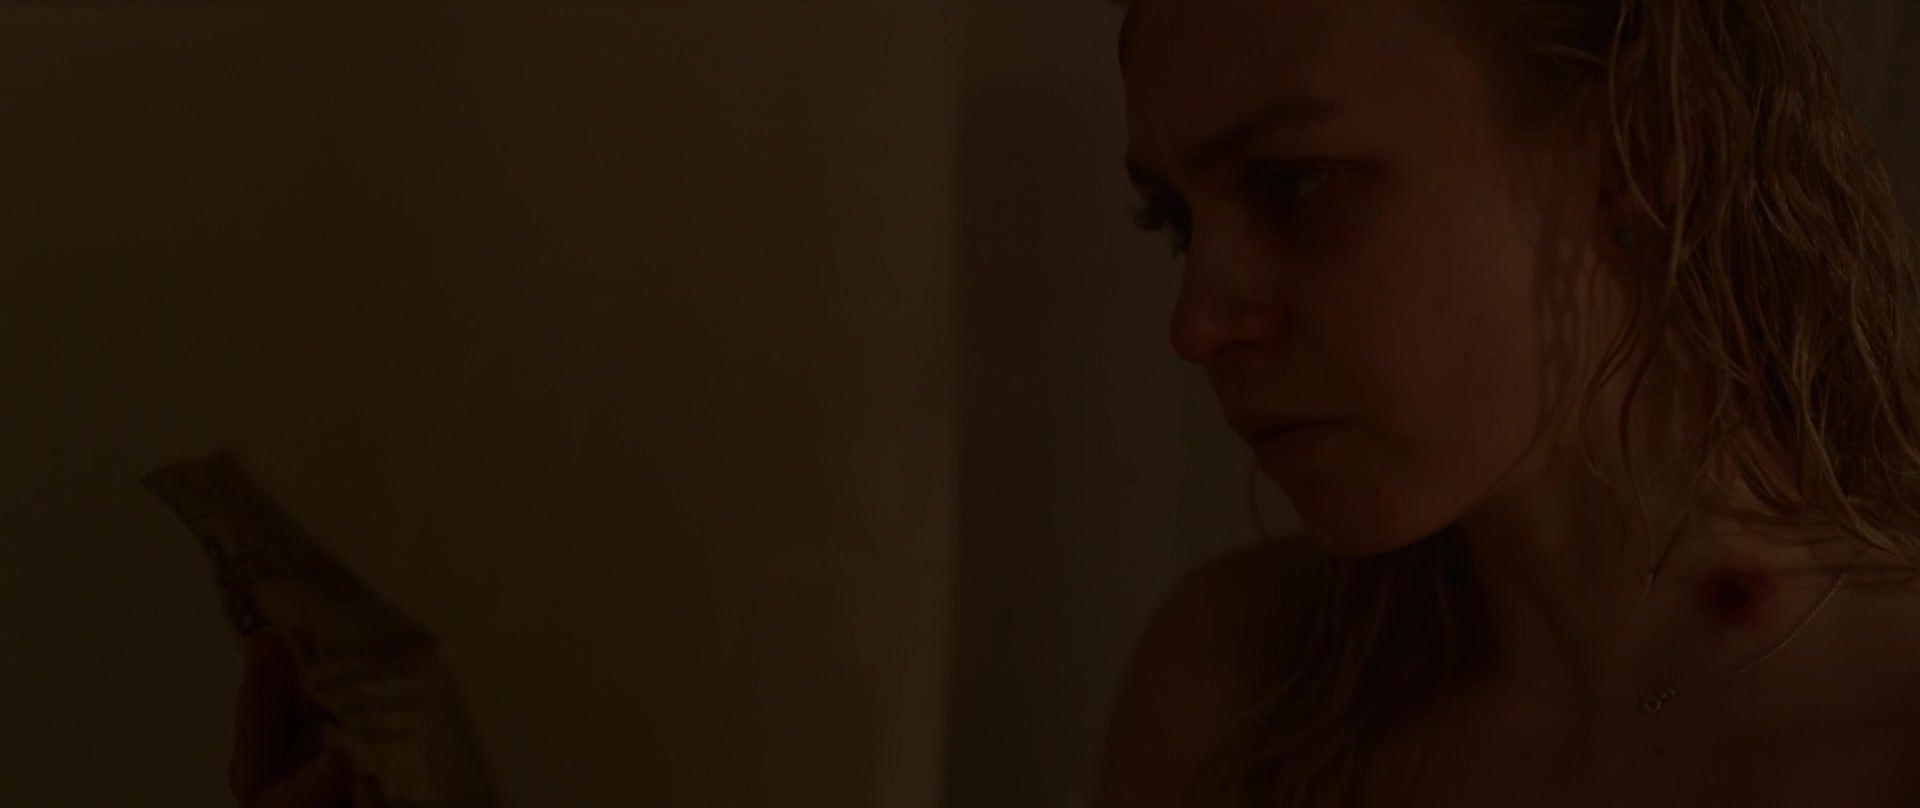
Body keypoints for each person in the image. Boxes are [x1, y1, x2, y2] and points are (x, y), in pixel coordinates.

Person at [1097, 1, 1920, 807]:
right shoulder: (1235, 689)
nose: (1195, 325)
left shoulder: (1889, 739)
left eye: (1295, 184)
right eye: (1176, 222)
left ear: (1643, 148)